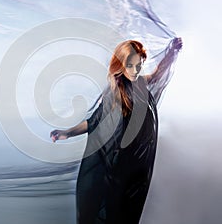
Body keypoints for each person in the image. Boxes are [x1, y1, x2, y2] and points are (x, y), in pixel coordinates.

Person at [50, 38, 182, 224]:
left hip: (138, 165)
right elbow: (94, 122)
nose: (135, 70)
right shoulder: (113, 94)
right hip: (119, 164)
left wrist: (171, 53)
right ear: (120, 65)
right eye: (130, 65)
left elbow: (157, 75)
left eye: (139, 65)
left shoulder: (141, 84)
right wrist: (67, 133)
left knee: (131, 210)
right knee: (114, 210)